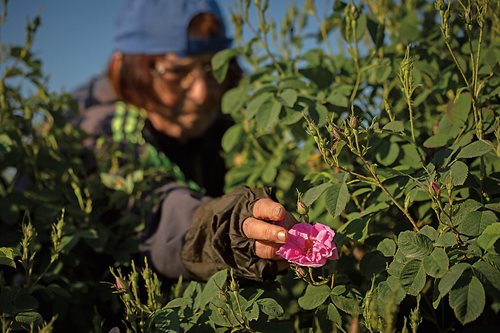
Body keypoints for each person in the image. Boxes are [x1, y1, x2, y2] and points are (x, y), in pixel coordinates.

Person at [72, 0, 297, 282]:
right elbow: (156, 207)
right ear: (128, 68)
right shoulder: (99, 128)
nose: (202, 93)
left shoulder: (233, 124)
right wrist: (230, 229)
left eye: (212, 67)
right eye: (177, 71)